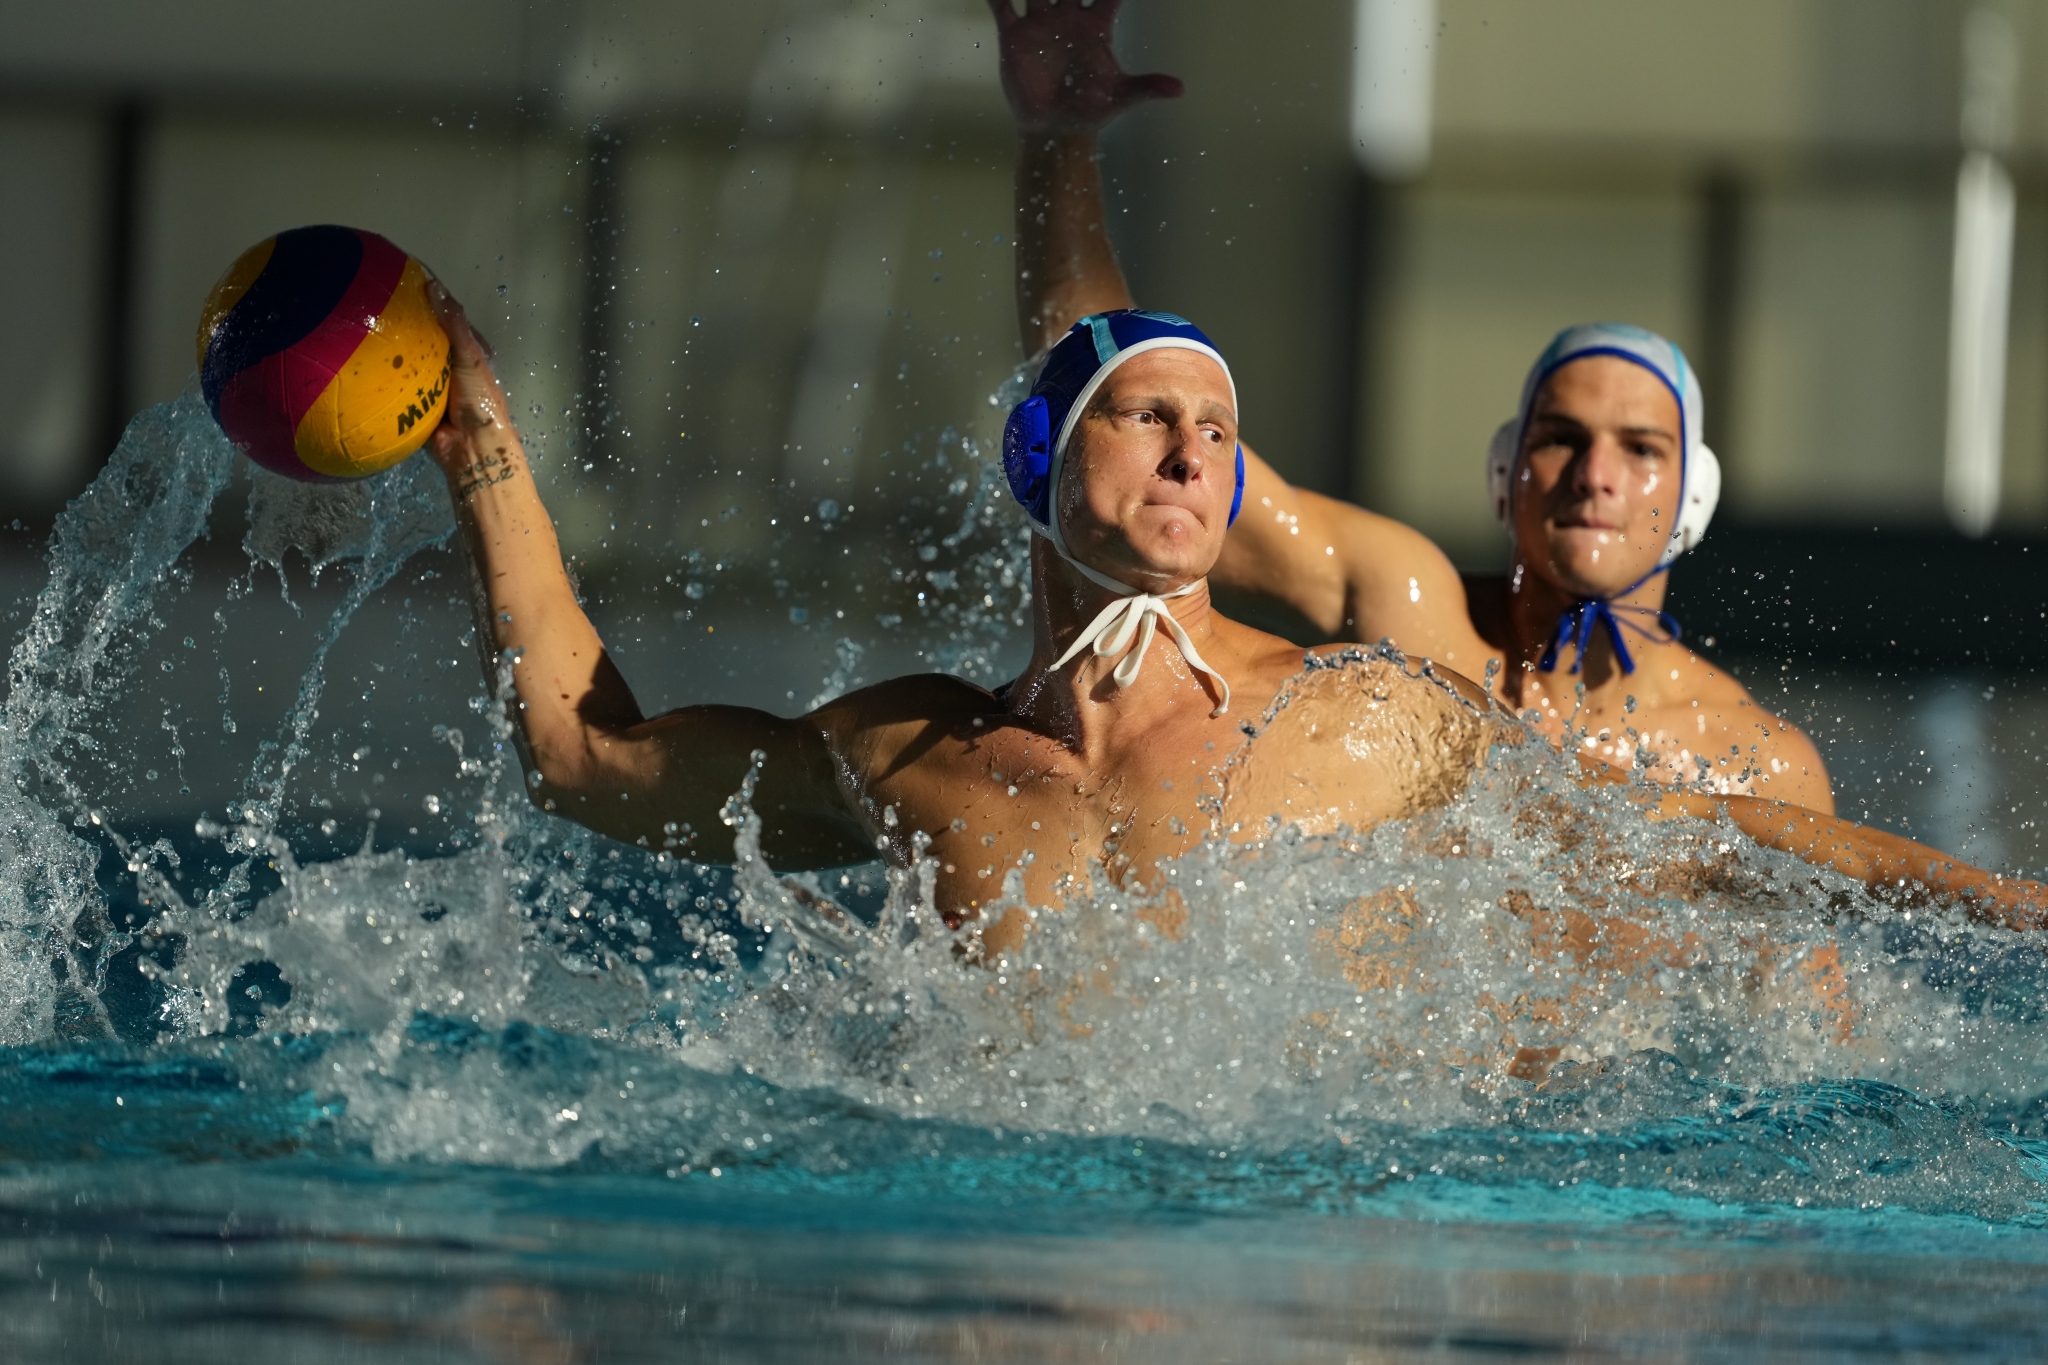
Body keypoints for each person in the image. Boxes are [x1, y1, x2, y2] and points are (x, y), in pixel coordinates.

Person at [423, 276, 2042, 966]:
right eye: (1145, 416)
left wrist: (2002, 906)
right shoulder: (908, 752)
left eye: (1218, 420)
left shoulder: (1361, 715)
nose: (1197, 443)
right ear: (1041, 464)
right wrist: (474, 431)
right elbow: (585, 764)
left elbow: (1708, 844)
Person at [989, 0, 1833, 812]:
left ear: (1695, 494)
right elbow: (1112, 399)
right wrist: (1058, 140)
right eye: (1562, 439)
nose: (1596, 477)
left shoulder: (1755, 765)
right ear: (1507, 470)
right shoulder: (1419, 618)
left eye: (1642, 448)